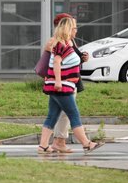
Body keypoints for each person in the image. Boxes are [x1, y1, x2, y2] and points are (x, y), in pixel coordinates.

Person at [37, 16, 103, 154]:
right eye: (74, 28)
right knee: (74, 115)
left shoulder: (68, 43)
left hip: (62, 86)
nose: (76, 30)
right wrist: (59, 82)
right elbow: (56, 62)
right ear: (67, 29)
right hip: (63, 87)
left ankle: (43, 146)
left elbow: (68, 62)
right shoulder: (61, 44)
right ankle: (86, 143)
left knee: (52, 116)